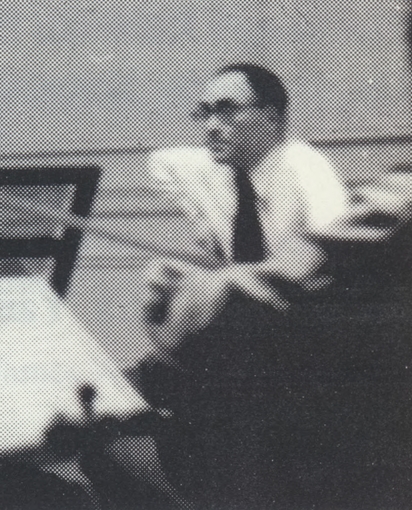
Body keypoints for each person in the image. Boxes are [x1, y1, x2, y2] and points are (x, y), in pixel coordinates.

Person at [135, 64, 395, 507]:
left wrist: (211, 291)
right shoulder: (223, 177)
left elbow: (332, 284)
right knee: (135, 399)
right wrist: (199, 272)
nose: (212, 127)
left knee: (147, 406)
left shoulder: (303, 167)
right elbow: (166, 162)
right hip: (251, 346)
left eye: (227, 111)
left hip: (312, 366)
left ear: (274, 119)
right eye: (204, 113)